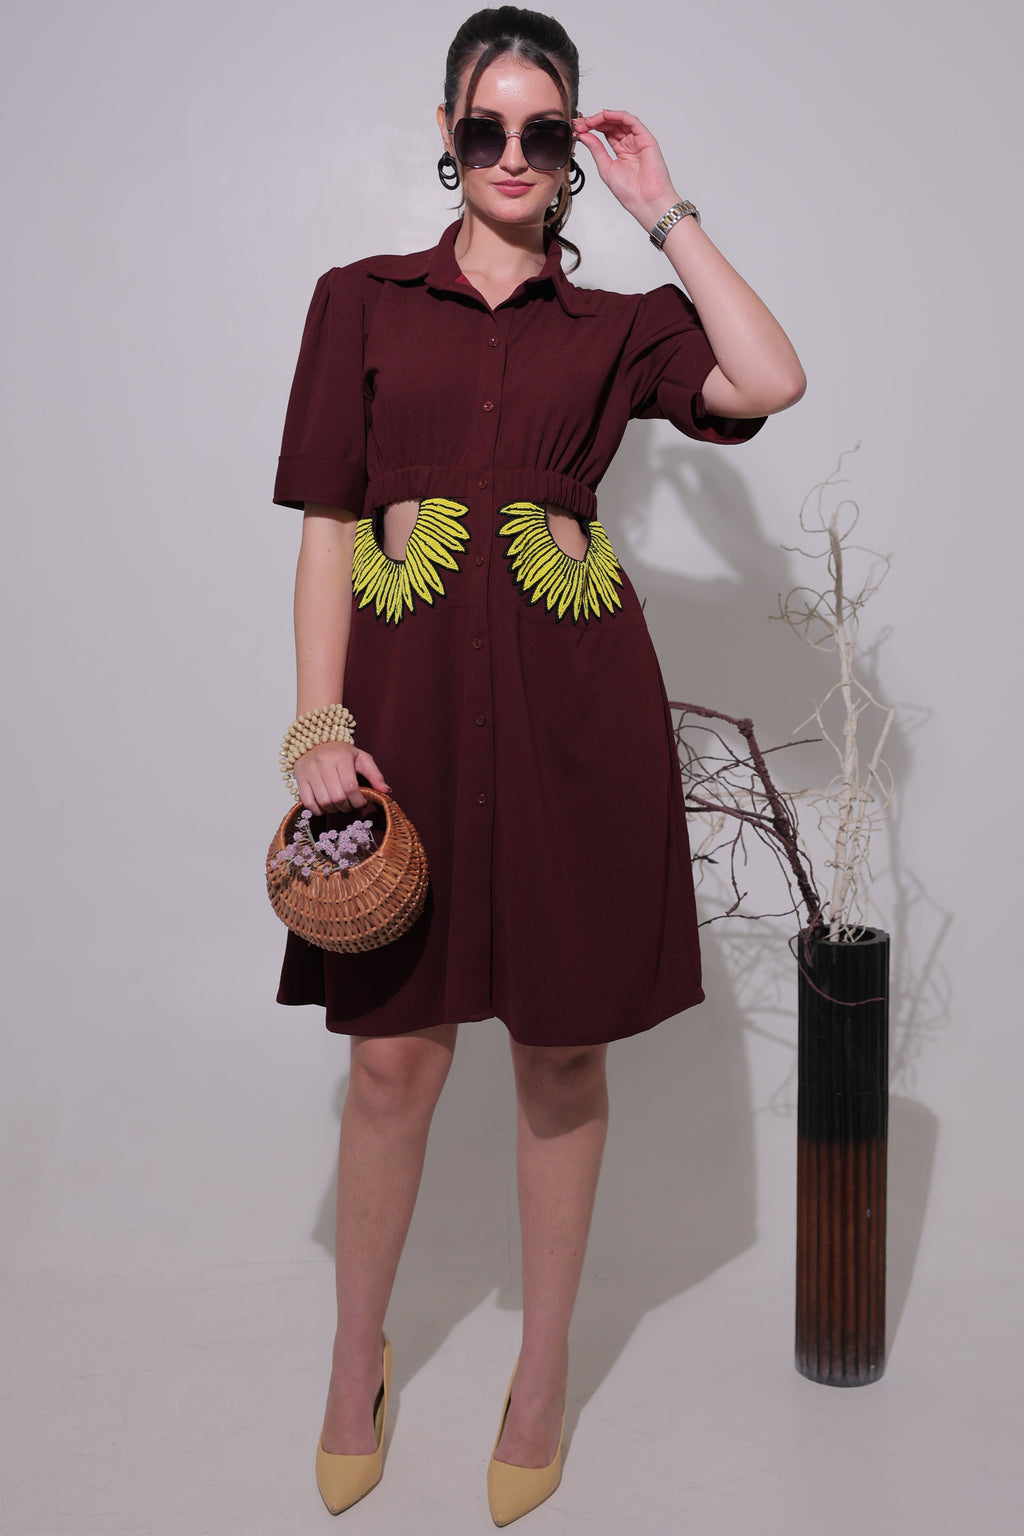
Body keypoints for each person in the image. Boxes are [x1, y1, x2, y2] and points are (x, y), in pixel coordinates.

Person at [272, 5, 804, 1523]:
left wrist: (668, 214)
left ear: (570, 151)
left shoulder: (621, 325)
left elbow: (769, 381)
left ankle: (540, 1375)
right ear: (447, 138)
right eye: (486, 126)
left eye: (543, 129)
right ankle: (354, 1356)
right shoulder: (359, 302)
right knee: (393, 1060)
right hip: (410, 716)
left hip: (578, 716)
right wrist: (321, 726)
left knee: (563, 1056)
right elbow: (325, 521)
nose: (512, 153)